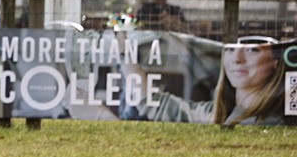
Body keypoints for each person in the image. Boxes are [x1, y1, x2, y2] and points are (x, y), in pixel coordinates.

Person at [122, 36, 289, 126]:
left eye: (252, 50)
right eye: (230, 50)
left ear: (276, 61)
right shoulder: (214, 114)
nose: (237, 59)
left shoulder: (275, 123)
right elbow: (154, 104)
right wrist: (124, 51)